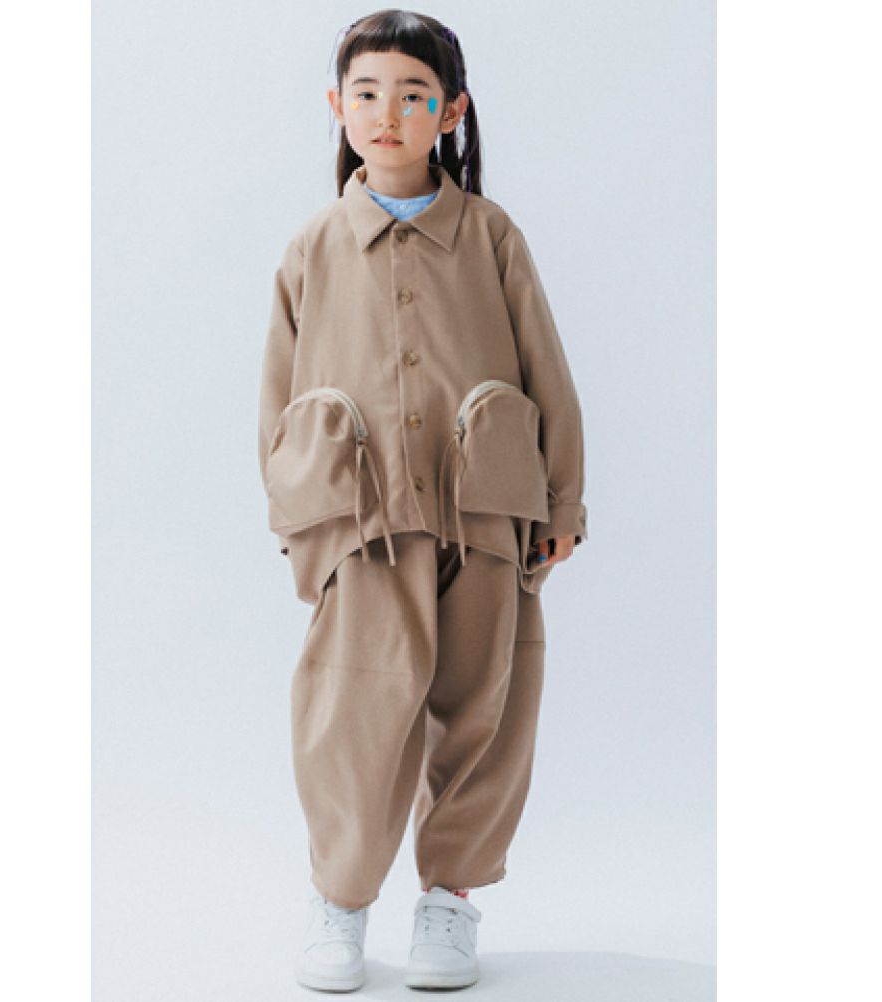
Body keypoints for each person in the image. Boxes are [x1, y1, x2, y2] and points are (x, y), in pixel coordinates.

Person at [256, 9, 588, 992]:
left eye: (412, 94)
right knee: (351, 716)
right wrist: (300, 524)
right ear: (336, 106)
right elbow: (277, 399)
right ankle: (341, 901)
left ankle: (450, 900)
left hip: (486, 513)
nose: (388, 113)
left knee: (484, 708)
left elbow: (548, 372)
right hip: (360, 524)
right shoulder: (314, 247)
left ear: (451, 110)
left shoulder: (490, 235)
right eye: (366, 93)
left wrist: (562, 505)